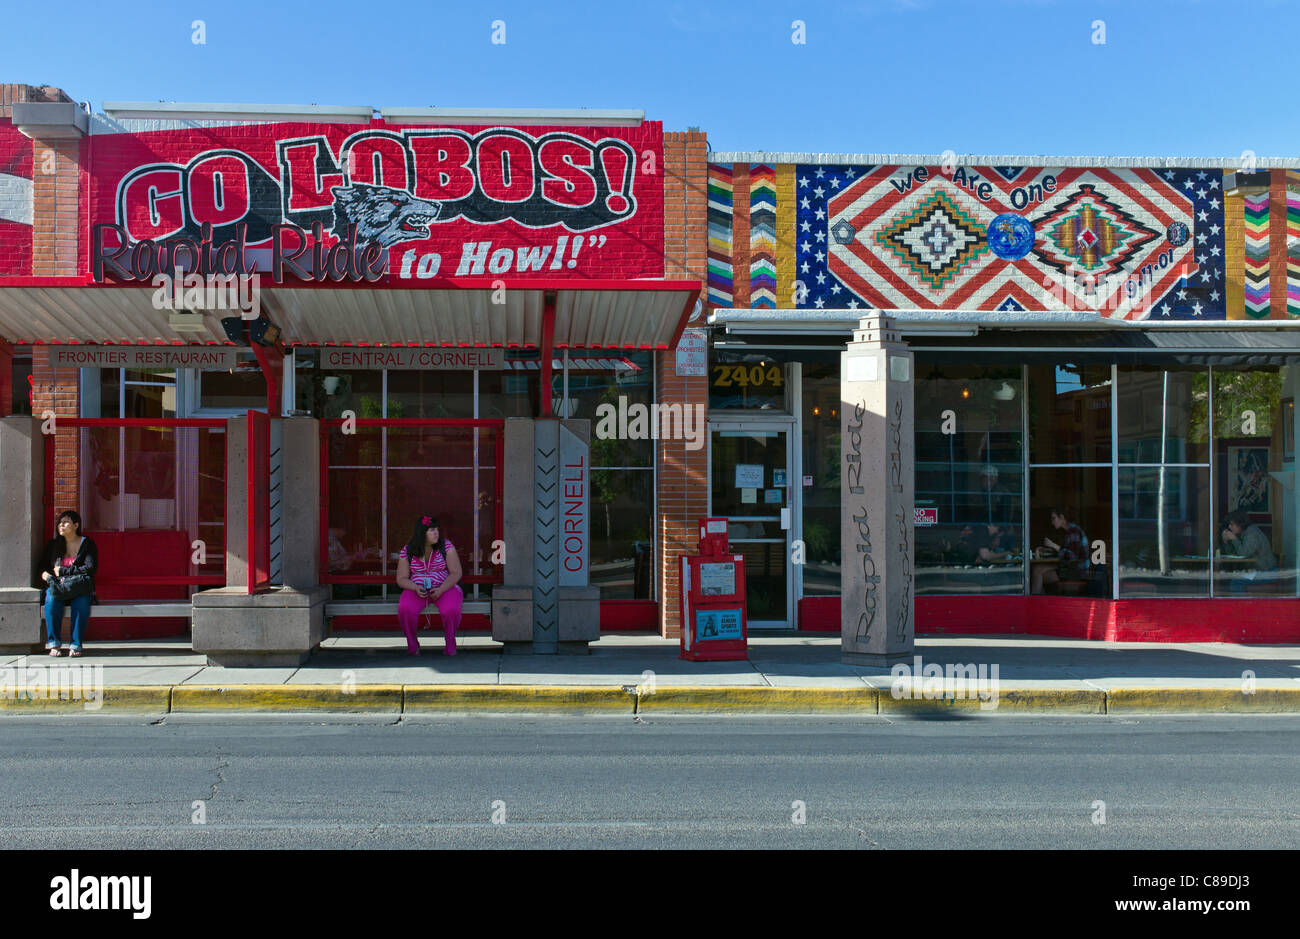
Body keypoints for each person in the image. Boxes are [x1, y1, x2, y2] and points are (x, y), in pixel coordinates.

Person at [395, 514, 463, 656]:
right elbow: (401, 578)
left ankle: (450, 643)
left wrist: (441, 589)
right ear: (422, 533)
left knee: (451, 609)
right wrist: (415, 587)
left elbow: (456, 573)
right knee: (405, 609)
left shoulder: (446, 546)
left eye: (437, 529)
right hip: (417, 589)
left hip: (444, 587)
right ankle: (412, 645)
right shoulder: (407, 550)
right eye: (431, 530)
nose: (436, 532)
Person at [40, 510, 98, 657]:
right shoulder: (54, 545)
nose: (61, 525)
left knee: (81, 604)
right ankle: (54, 644)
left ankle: (75, 644)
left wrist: (64, 571)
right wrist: (46, 575)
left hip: (79, 587)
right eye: (60, 522)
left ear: (76, 525)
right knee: (51, 601)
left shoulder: (87, 544)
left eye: (65, 522)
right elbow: (43, 567)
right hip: (59, 587)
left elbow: (90, 568)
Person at [1032, 506, 1088, 593]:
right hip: (1069, 568)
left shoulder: (1073, 531)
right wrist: (1047, 550)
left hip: (1076, 572)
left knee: (1037, 571)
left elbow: (1072, 557)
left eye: (1054, 518)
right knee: (1037, 570)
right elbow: (1064, 552)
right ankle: (1040, 601)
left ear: (1061, 517)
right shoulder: (1069, 531)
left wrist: (1053, 545)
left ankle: (1037, 601)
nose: (1052, 522)